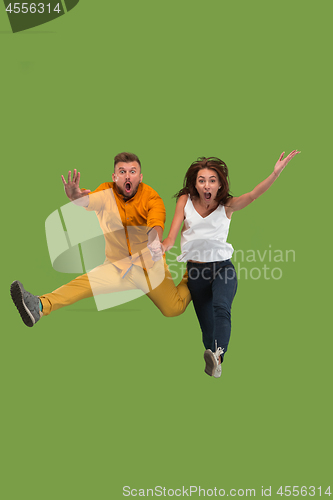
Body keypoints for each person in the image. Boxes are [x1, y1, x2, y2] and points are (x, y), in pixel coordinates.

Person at [10, 152, 191, 327]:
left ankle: (193, 277)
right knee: (82, 285)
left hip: (149, 268)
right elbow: (89, 201)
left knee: (173, 309)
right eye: (122, 172)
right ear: (114, 176)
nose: (127, 176)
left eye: (132, 171)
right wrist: (76, 198)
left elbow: (155, 225)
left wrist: (154, 242)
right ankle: (39, 306)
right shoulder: (106, 192)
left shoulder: (152, 198)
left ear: (140, 177)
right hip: (117, 266)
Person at [162, 151, 300, 378]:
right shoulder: (185, 201)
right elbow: (173, 233)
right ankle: (216, 360)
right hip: (195, 274)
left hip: (222, 269)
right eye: (202, 180)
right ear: (195, 184)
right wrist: (166, 244)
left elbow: (254, 194)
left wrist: (275, 173)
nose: (207, 185)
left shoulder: (227, 206)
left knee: (221, 308)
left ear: (219, 186)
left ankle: (218, 355)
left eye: (212, 181)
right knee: (208, 333)